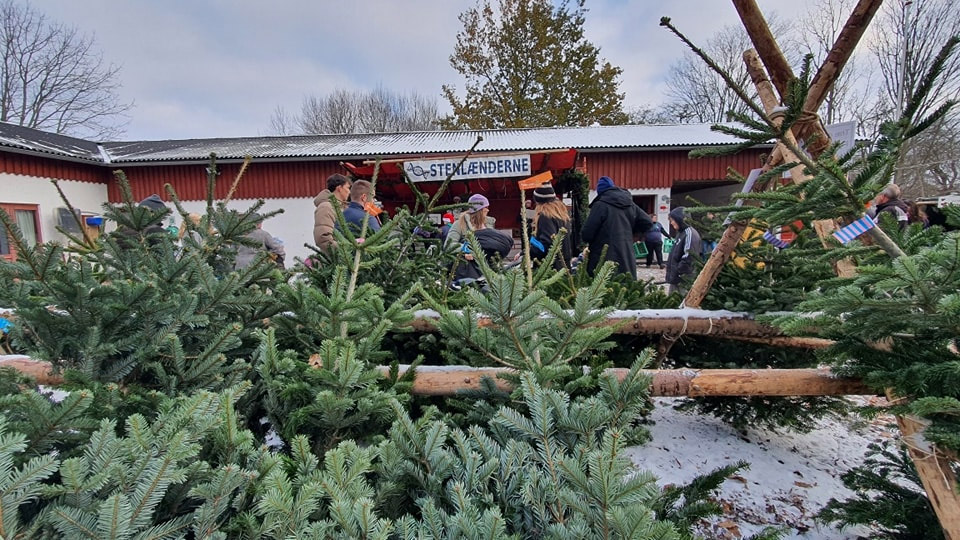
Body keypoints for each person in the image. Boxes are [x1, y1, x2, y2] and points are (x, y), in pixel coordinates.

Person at [580, 176, 653, 277]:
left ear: (600, 192)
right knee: (625, 286)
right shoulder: (630, 205)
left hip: (603, 258)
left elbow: (587, 234)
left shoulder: (600, 205)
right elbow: (648, 222)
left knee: (603, 289)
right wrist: (632, 235)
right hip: (626, 256)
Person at [451, 196, 513, 283]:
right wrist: (466, 250)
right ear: (479, 209)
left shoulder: (489, 224)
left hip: (488, 268)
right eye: (486, 207)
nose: (488, 210)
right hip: (467, 268)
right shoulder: (459, 224)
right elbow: (449, 244)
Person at [529, 184, 573, 269]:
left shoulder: (545, 216)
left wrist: (529, 252)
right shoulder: (562, 215)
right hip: (563, 266)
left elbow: (546, 244)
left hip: (551, 269)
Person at [664, 207, 702, 295]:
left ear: (679, 219)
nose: (671, 223)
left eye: (672, 220)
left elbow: (689, 255)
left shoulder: (689, 233)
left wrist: (679, 271)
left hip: (683, 279)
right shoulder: (681, 233)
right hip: (676, 278)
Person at [313, 173, 351, 252]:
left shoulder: (344, 207)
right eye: (347, 188)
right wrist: (346, 251)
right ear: (339, 188)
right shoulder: (326, 207)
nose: (349, 192)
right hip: (335, 260)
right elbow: (323, 239)